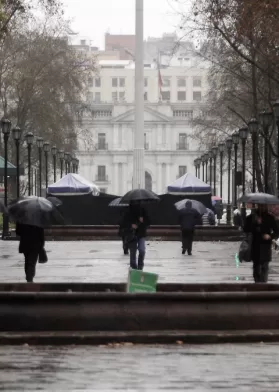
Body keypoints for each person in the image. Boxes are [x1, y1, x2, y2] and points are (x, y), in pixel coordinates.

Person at [243, 204, 278, 283]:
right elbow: (245, 229)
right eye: (261, 206)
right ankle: (257, 283)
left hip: (266, 245)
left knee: (265, 266)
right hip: (255, 245)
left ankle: (263, 284)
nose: (262, 207)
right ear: (258, 206)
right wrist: (256, 223)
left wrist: (270, 236)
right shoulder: (251, 217)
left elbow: (277, 231)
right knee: (256, 266)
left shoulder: (270, 218)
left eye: (264, 206)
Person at [122, 203, 150, 270]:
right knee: (133, 253)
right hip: (132, 234)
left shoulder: (143, 210)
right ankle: (134, 268)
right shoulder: (128, 211)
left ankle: (140, 267)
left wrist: (143, 221)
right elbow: (123, 222)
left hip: (141, 234)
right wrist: (131, 225)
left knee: (142, 250)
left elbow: (149, 222)